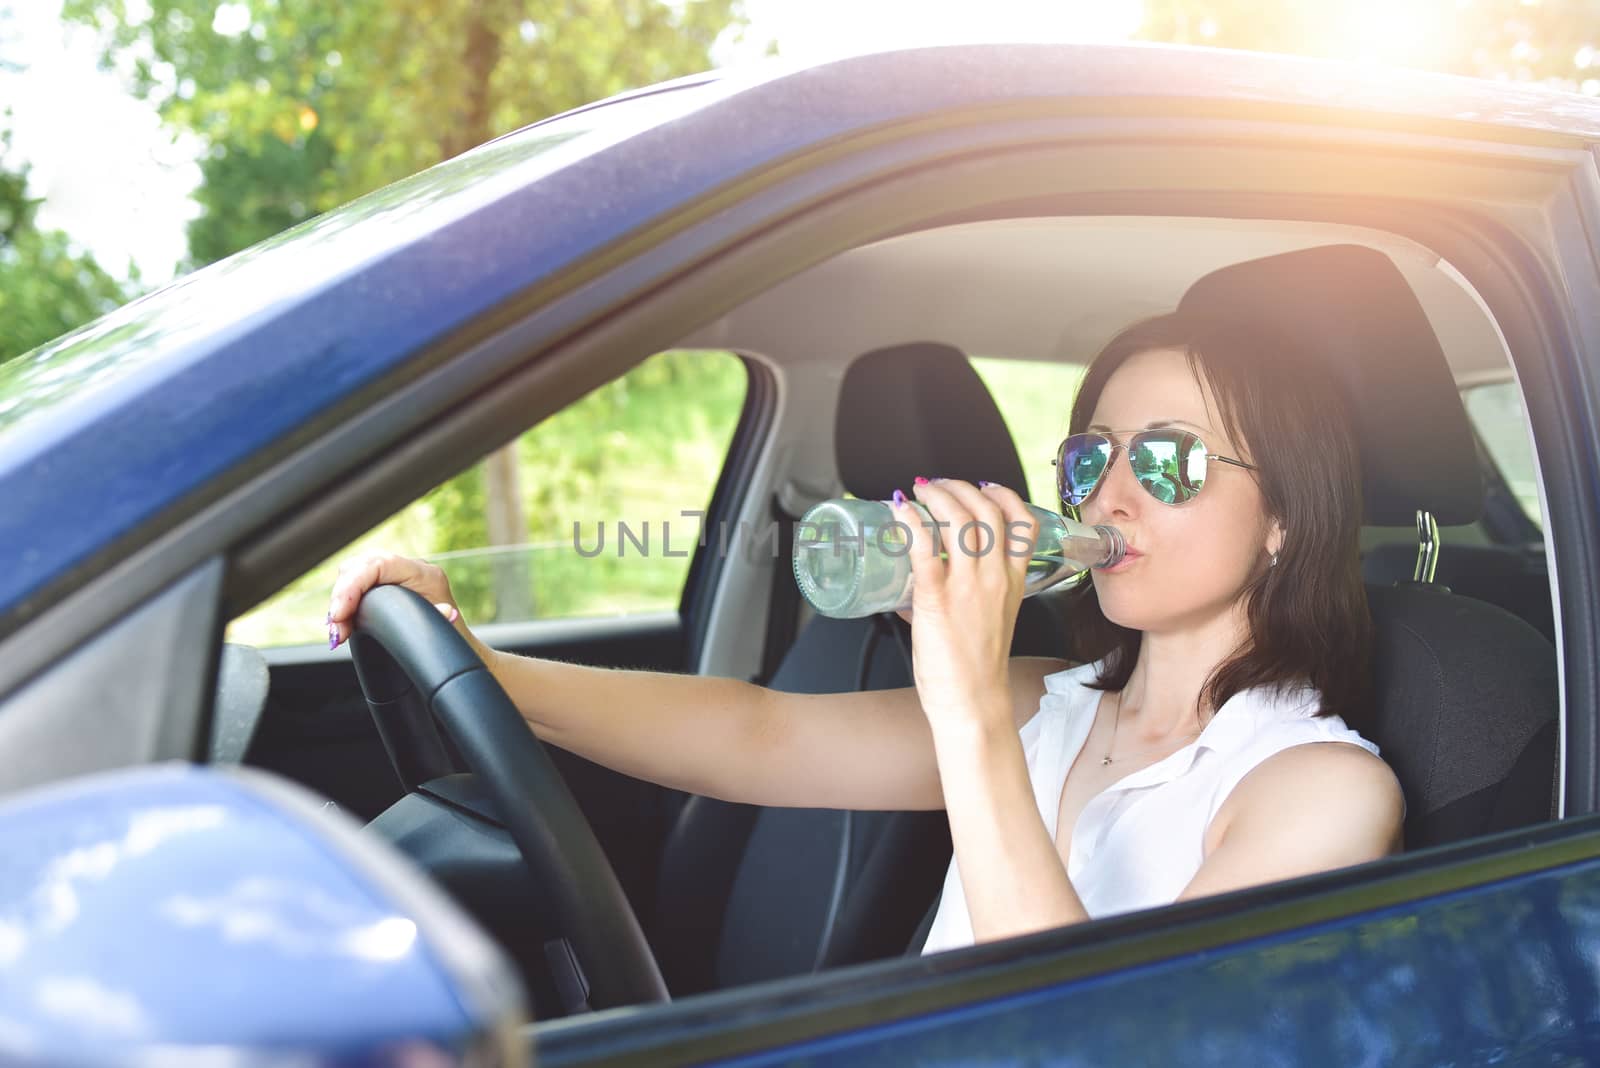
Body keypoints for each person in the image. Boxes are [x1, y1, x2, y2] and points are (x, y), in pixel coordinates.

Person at [325, 310, 1404, 956]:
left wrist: (969, 709)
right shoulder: (1054, 698)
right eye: (1089, 458)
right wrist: (476, 663)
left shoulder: (1317, 790)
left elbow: (1092, 1031)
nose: (1110, 495)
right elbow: (757, 737)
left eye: (1167, 462)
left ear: (1282, 520)